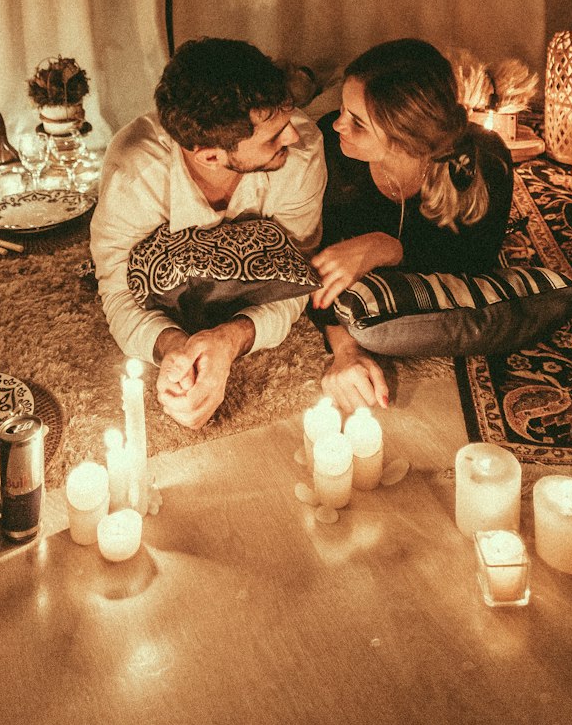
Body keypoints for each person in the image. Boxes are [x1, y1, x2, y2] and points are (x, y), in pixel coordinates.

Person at [90, 37, 326, 430]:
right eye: (273, 137)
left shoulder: (301, 154)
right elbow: (116, 291)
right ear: (210, 156)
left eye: (286, 120)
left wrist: (231, 339)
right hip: (166, 273)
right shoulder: (134, 175)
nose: (292, 137)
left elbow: (298, 277)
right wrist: (174, 349)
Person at [311, 38, 514, 413]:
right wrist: (345, 350)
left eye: (357, 122)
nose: (339, 124)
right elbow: (312, 271)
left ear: (406, 137)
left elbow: (474, 266)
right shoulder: (327, 148)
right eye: (342, 108)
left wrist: (387, 247)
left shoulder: (485, 164)